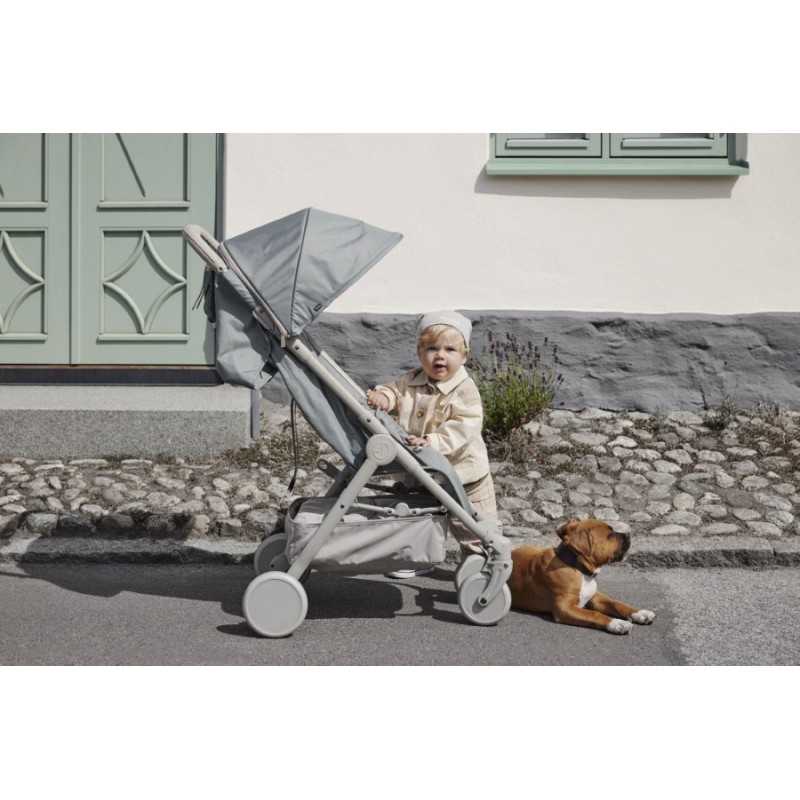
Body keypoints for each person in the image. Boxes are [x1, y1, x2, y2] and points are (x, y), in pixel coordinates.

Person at [366, 310, 497, 578]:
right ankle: (416, 556)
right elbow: (395, 391)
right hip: (423, 472)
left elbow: (465, 426)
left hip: (463, 474)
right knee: (418, 515)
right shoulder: (410, 380)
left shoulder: (465, 389)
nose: (440, 356)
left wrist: (431, 441)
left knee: (472, 524)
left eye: (450, 349)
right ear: (419, 353)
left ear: (464, 356)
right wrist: (384, 397)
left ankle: (483, 564)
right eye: (432, 349)